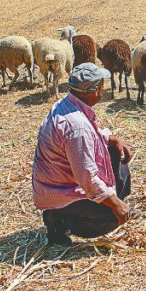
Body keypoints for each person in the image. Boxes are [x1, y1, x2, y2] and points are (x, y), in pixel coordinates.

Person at [31, 63, 133, 245]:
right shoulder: (77, 126)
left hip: (58, 183)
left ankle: (65, 213)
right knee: (111, 218)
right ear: (94, 90)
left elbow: (91, 136)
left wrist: (111, 138)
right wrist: (115, 205)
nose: (103, 90)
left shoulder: (66, 105)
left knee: (117, 159)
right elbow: (87, 178)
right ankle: (58, 220)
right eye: (101, 85)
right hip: (60, 192)